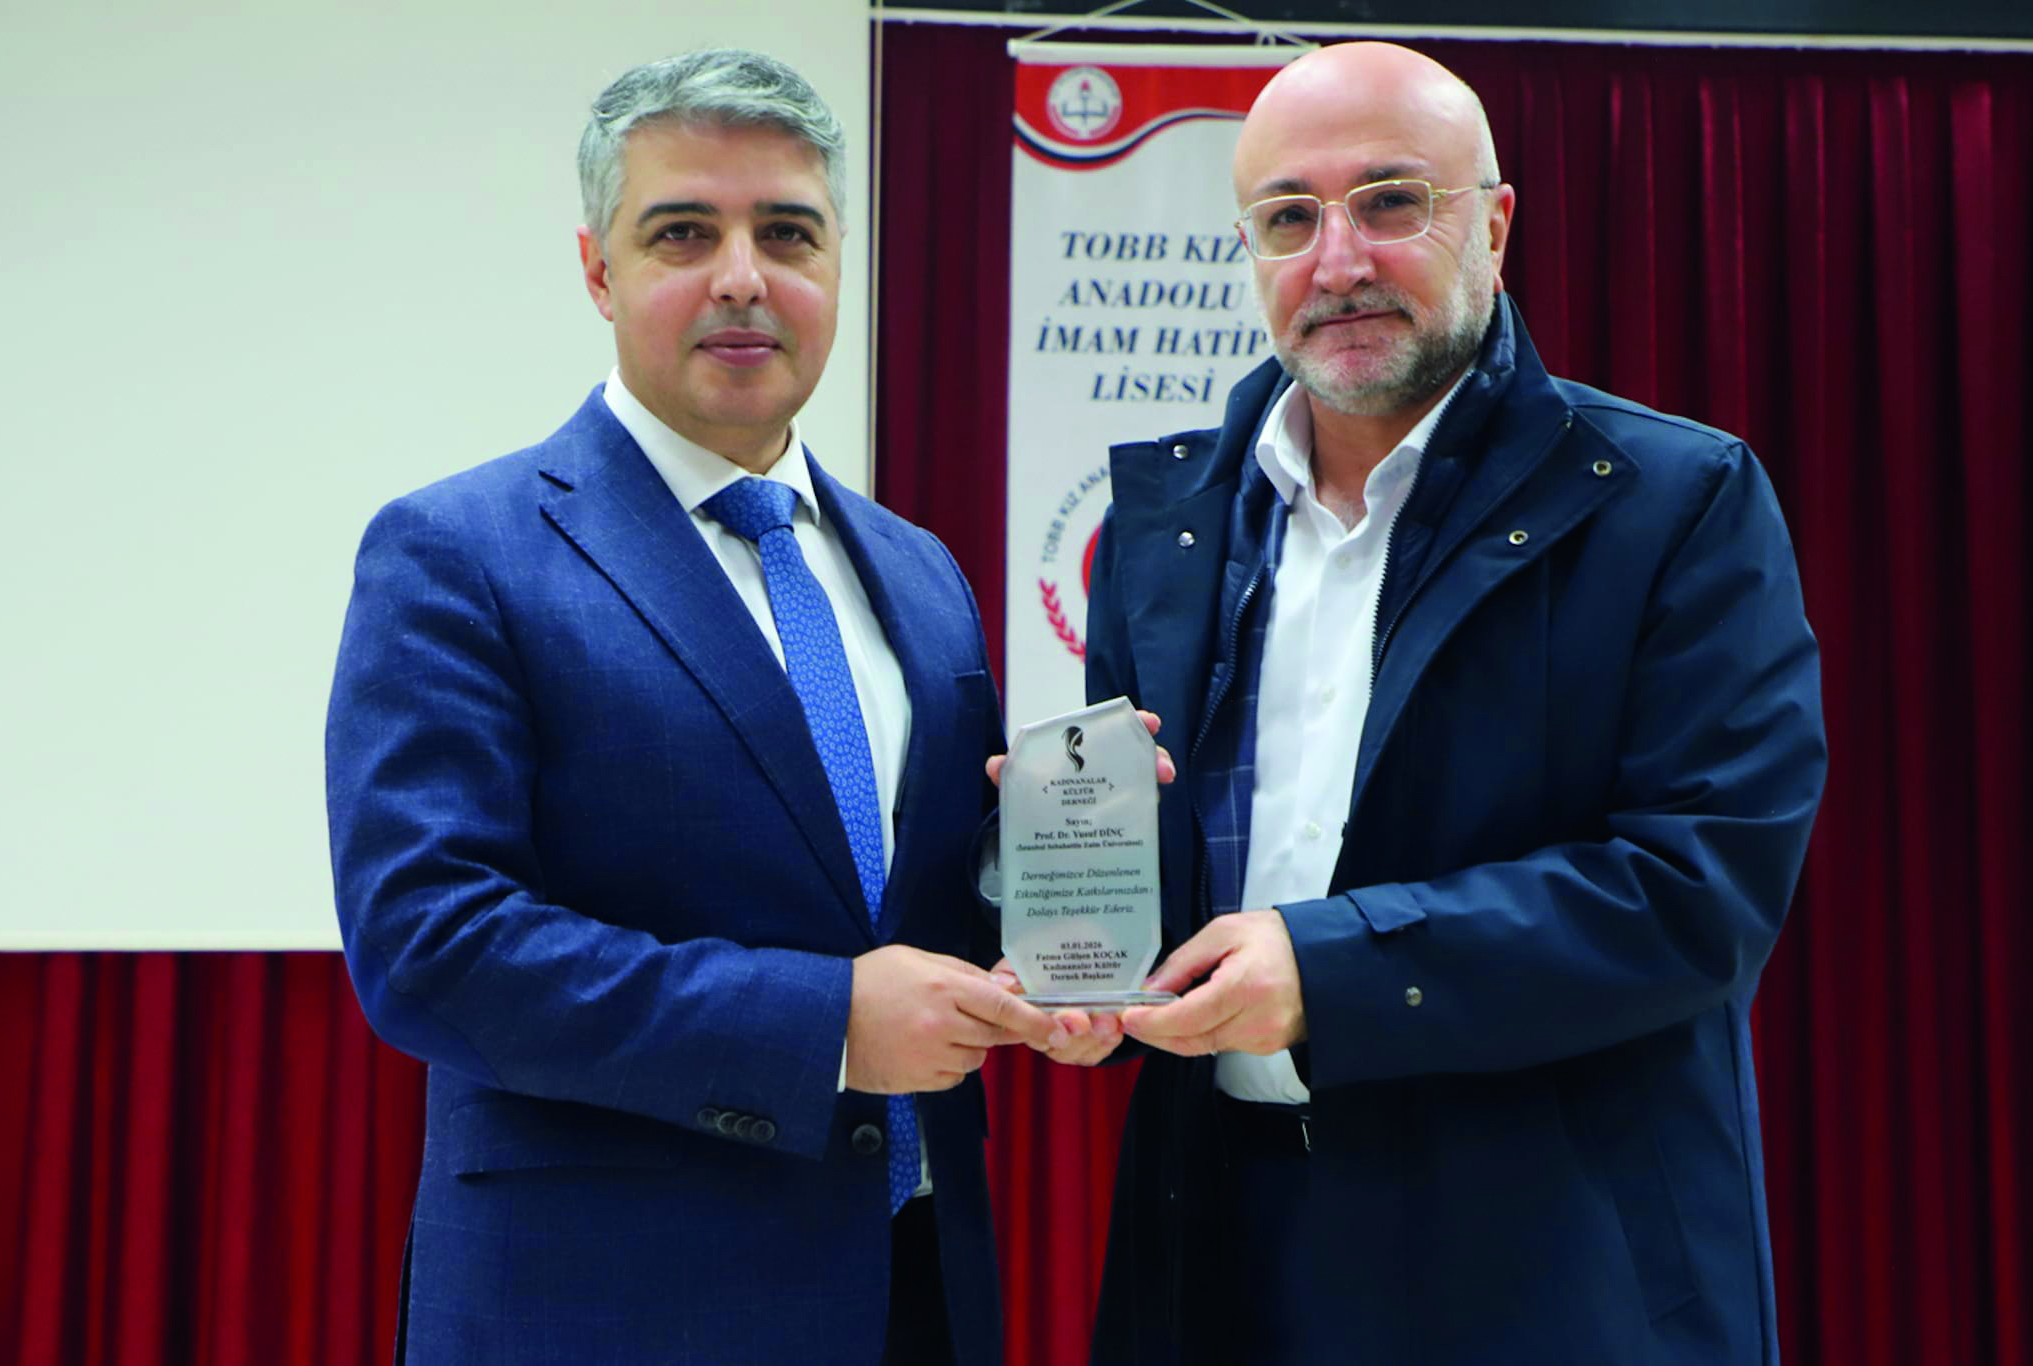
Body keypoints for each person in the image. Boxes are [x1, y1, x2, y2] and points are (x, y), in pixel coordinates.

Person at [1059, 41, 1827, 1365]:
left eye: (1391, 202)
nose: (1338, 260)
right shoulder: (1163, 524)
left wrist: (1329, 970)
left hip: (1547, 1269)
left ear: (1496, 224)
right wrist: (1060, 916)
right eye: (1289, 218)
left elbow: (1697, 889)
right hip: (1215, 1253)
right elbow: (1154, 869)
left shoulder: (1673, 501)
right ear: (1248, 251)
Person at [325, 49, 1056, 1366]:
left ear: (837, 264)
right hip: (609, 1310)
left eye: (788, 232)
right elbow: (431, 945)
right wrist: (827, 1024)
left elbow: (917, 899)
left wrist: (1074, 900)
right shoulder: (458, 550)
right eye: (682, 232)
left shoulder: (918, 570)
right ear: (597, 270)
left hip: (915, 1291)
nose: (742, 276)